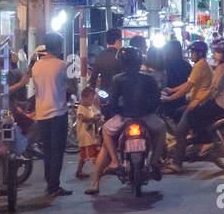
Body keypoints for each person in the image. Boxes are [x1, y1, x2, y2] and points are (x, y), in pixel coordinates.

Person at [87, 47, 167, 194]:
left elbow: (112, 101)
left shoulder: (118, 79)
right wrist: (149, 110)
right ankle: (155, 160)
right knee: (162, 128)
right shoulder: (149, 78)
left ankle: (113, 162)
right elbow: (156, 100)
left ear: (122, 62)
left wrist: (111, 111)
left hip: (124, 118)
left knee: (105, 131)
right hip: (145, 117)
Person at [29, 33, 73, 196]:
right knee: (58, 151)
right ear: (57, 46)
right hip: (58, 113)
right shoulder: (61, 65)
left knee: (47, 150)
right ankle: (54, 186)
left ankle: (51, 184)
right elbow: (70, 89)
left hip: (41, 114)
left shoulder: (36, 66)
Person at [163, 40, 214, 173]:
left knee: (180, 132)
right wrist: (172, 90)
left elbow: (187, 87)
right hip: (196, 101)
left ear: (199, 53)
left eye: (192, 52)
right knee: (178, 114)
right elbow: (188, 83)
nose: (190, 55)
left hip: (197, 103)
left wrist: (170, 98)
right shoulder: (199, 65)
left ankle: (177, 164)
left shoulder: (200, 66)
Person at [74, 86, 102, 180]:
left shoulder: (90, 107)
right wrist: (93, 119)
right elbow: (83, 118)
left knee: (83, 156)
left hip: (89, 135)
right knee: (93, 154)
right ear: (83, 98)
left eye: (92, 100)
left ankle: (79, 171)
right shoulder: (81, 108)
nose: (91, 102)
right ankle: (99, 170)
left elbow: (95, 116)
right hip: (85, 136)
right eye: (90, 99)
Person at [89, 28, 126, 93]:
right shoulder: (123, 56)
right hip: (120, 93)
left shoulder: (100, 55)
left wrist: (92, 94)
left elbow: (93, 78)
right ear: (118, 41)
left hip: (104, 93)